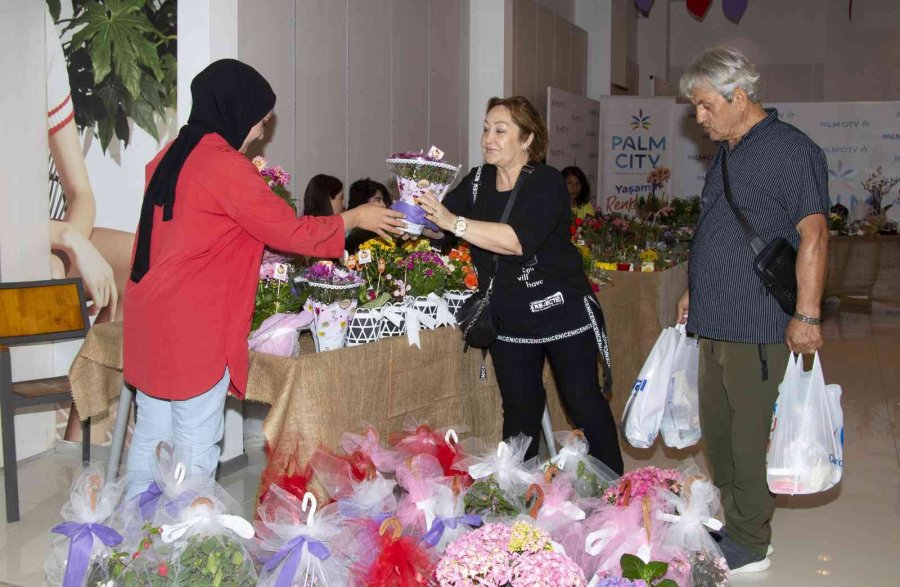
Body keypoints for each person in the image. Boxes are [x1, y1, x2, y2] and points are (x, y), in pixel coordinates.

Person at [122, 59, 404, 498]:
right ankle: (181, 538)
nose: (260, 132)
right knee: (194, 445)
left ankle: (136, 528)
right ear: (236, 108)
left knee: (151, 437)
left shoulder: (169, 156)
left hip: (149, 317)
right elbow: (290, 231)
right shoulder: (222, 165)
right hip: (191, 326)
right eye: (261, 119)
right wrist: (353, 217)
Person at [676, 47, 830, 575]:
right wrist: (694, 288)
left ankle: (751, 541)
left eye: (705, 105)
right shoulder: (727, 151)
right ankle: (737, 520)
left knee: (748, 437)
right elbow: (717, 226)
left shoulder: (791, 150)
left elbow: (814, 235)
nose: (699, 118)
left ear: (738, 97)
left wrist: (807, 315)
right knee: (718, 431)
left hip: (757, 321)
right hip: (713, 318)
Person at [418, 96, 623, 474]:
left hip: (561, 310)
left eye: (500, 130)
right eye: (485, 129)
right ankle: (519, 496)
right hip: (509, 316)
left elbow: (516, 241)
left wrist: (453, 222)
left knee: (583, 403)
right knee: (519, 411)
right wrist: (419, 212)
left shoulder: (547, 182)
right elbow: (439, 229)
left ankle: (613, 490)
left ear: (527, 139)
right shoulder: (478, 181)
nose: (488, 138)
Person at [44, 6, 135, 440]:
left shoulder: (37, 34)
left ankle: (87, 446)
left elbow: (81, 192)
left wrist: (68, 246)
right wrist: (65, 238)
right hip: (33, 240)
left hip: (39, 242)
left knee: (140, 260)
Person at [345, 177, 391, 253]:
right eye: (378, 200)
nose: (384, 205)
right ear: (363, 203)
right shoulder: (354, 236)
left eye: (383, 200)